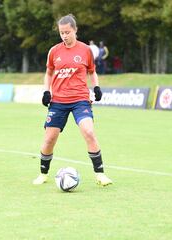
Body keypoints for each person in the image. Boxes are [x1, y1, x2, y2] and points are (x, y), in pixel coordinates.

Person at [32, 14, 112, 186]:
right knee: (49, 139)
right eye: (61, 33)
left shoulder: (86, 50)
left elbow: (92, 71)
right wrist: (46, 92)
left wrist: (96, 87)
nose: (64, 36)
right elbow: (48, 73)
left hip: (80, 100)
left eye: (67, 32)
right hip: (58, 101)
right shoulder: (54, 51)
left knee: (89, 132)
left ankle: (100, 174)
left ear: (75, 30)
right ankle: (43, 173)